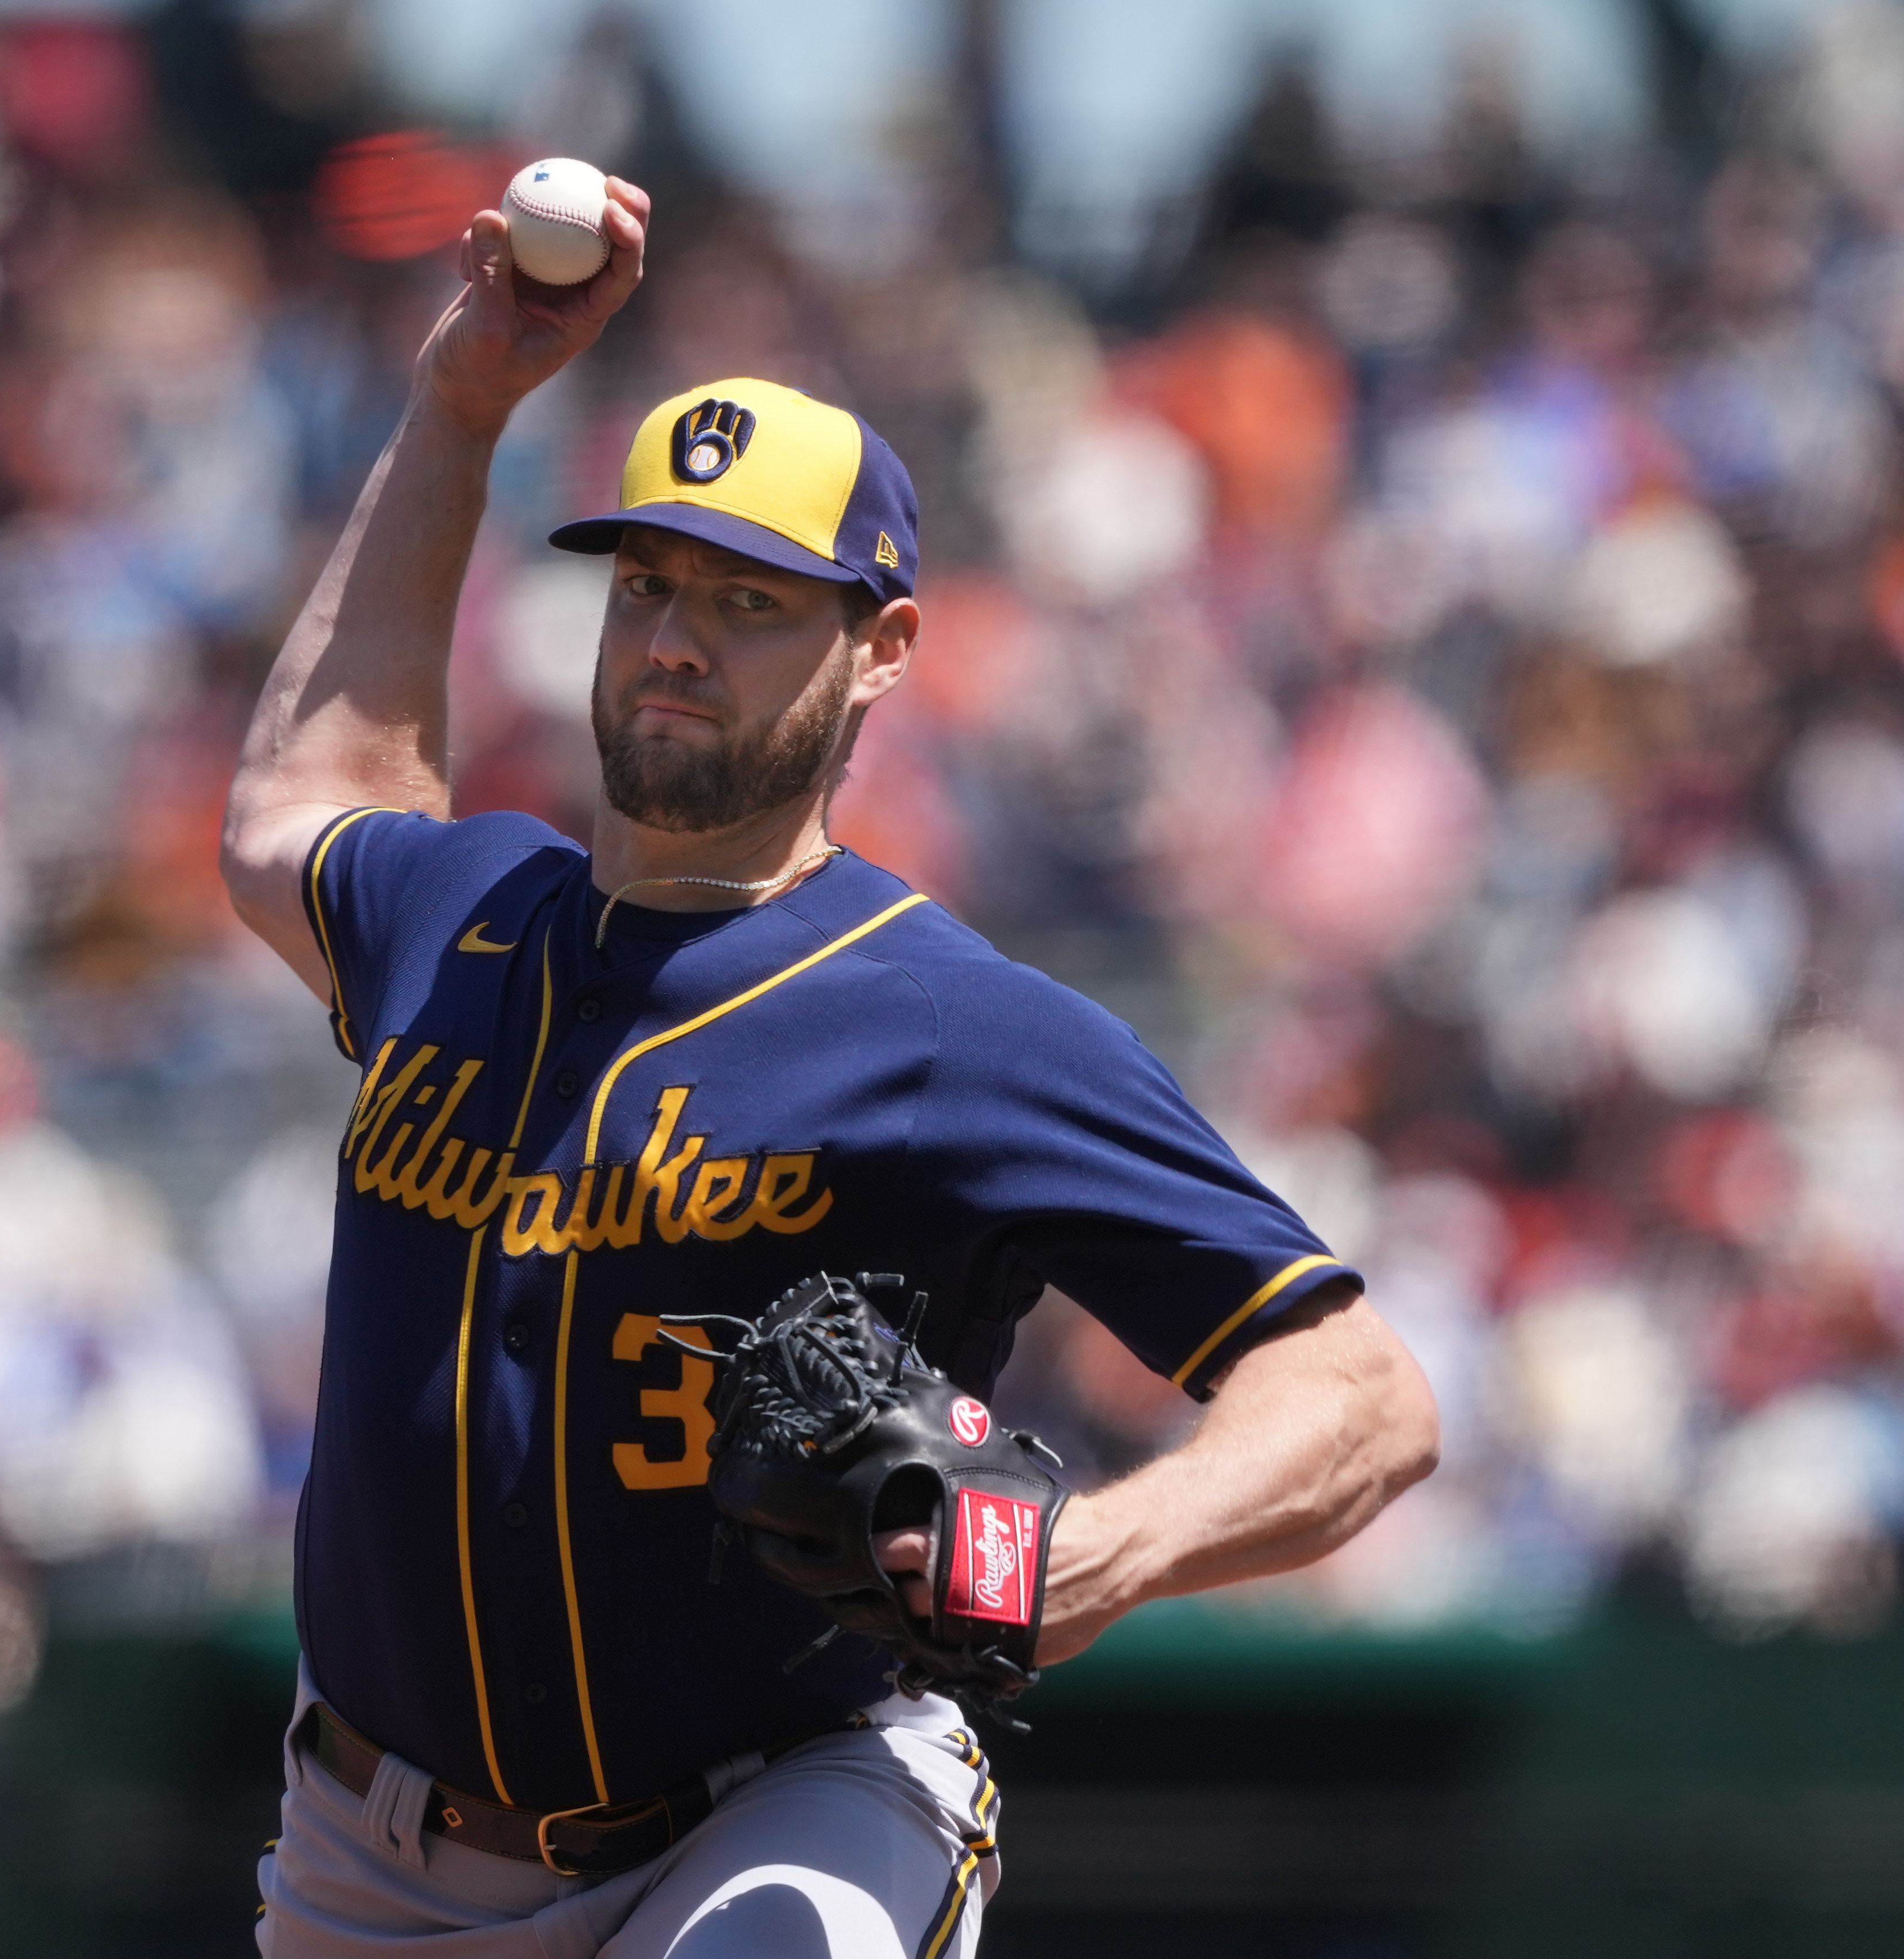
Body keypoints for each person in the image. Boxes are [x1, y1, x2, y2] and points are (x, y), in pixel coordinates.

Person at [219, 179, 1440, 1958]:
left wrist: (1084, 1558)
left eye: (752, 598)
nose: (677, 638)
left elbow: (1359, 1395)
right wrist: (463, 400)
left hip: (781, 1804)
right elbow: (290, 807)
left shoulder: (950, 1025)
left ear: (881, 648)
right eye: (647, 583)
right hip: (373, 1852)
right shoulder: (461, 907)